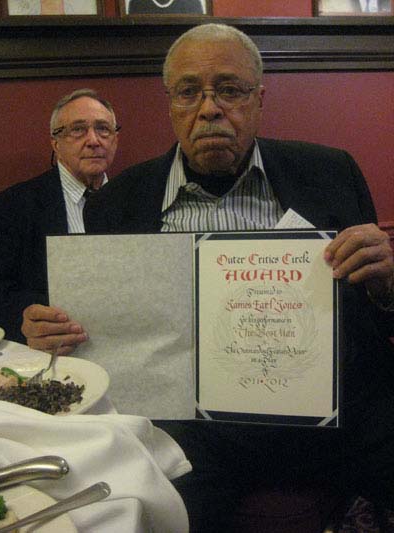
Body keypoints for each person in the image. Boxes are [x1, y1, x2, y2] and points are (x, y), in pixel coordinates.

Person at [32, 23, 394, 531]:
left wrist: (386, 286)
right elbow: (104, 336)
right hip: (194, 436)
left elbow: (374, 319)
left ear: (259, 98)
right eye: (188, 92)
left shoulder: (330, 173)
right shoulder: (118, 203)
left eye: (230, 89)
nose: (209, 108)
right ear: (170, 103)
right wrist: (54, 334)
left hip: (330, 417)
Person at [0, 88, 119, 352]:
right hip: (47, 357)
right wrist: (25, 319)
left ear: (115, 139)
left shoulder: (139, 199)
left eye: (103, 129)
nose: (94, 140)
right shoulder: (11, 206)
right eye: (78, 130)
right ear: (55, 143)